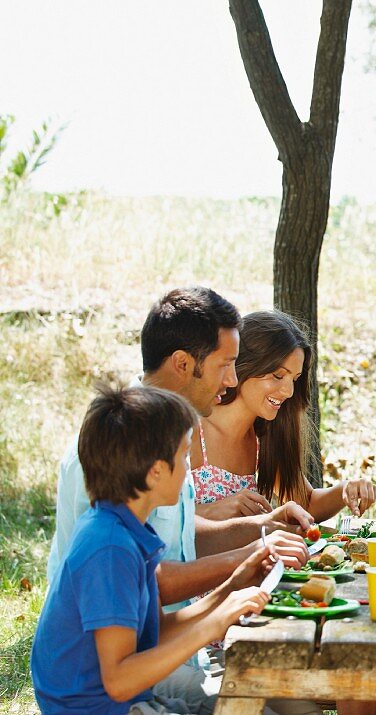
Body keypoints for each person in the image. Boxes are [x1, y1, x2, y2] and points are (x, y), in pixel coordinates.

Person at [45, 287, 311, 713]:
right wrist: (228, 592)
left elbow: (166, 565)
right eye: (226, 365)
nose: (231, 380)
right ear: (183, 364)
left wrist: (249, 555)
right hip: (119, 673)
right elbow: (122, 590)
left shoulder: (167, 442)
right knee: (274, 702)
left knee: (288, 701)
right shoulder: (120, 455)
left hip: (159, 648)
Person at [32, 384, 273, 715]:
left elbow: (156, 634)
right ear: (156, 471)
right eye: (184, 456)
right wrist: (214, 623)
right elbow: (119, 680)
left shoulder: (127, 528)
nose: (189, 469)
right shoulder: (109, 547)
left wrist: (232, 589)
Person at [193, 310, 376, 520]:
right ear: (243, 365)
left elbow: (305, 503)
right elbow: (154, 519)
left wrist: (346, 490)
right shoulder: (191, 430)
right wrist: (213, 511)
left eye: (294, 379)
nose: (288, 391)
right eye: (278, 375)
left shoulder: (264, 437)